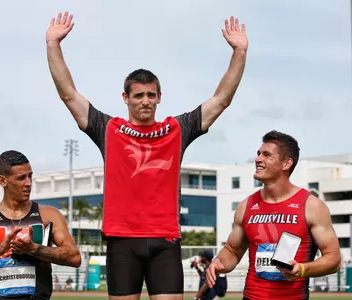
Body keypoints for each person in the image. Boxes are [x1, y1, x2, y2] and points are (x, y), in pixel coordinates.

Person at [46, 10, 248, 299]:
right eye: (139, 95)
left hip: (164, 240)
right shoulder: (108, 129)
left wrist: (239, 51)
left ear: (159, 98)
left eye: (151, 95)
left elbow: (221, 99)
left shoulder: (178, 129)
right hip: (121, 241)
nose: (145, 101)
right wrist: (53, 44)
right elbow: (68, 94)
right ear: (125, 98)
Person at [206, 131, 342, 300]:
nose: (258, 159)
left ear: (286, 163)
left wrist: (302, 269)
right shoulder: (246, 206)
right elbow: (232, 251)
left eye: (267, 155)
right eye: (258, 154)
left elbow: (334, 259)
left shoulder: (311, 206)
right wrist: (220, 262)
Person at [0, 150, 81, 300]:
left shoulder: (49, 214)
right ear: (2, 181)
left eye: (30, 176)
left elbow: (74, 257)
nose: (28, 183)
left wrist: (34, 249)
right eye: (21, 178)